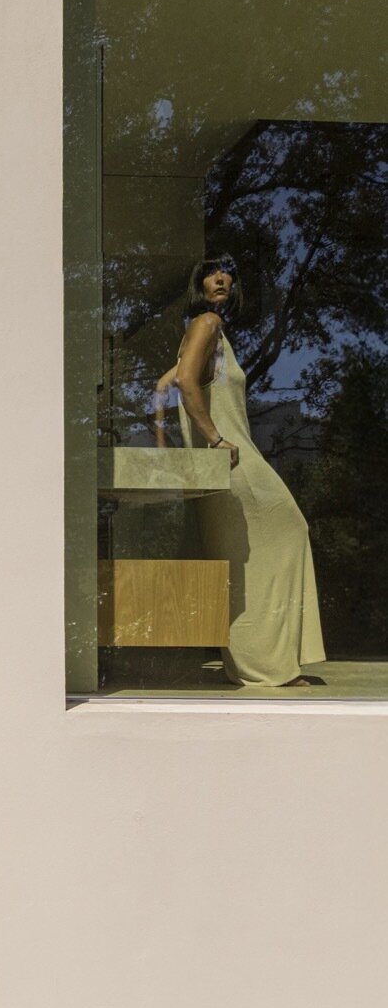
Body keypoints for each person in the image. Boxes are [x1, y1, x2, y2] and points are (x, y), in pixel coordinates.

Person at [155, 254, 326, 689]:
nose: (220, 279)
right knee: (290, 530)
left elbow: (162, 385)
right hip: (230, 459)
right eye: (211, 273)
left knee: (242, 560)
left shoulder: (205, 332)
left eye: (227, 273)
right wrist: (214, 439)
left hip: (215, 465)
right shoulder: (207, 323)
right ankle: (268, 665)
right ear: (199, 284)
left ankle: (256, 664)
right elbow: (185, 383)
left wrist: (166, 448)